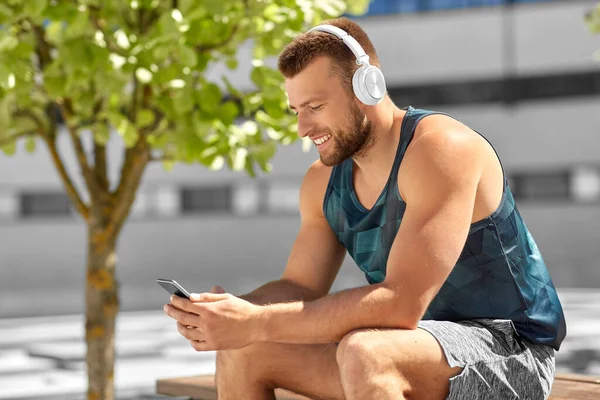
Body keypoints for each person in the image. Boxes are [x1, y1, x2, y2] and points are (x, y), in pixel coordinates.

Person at [163, 16, 567, 400]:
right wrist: (231, 313)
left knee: (365, 351)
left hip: (510, 350)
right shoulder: (323, 182)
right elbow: (301, 288)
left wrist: (255, 321)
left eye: (315, 107)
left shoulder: (440, 149)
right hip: (407, 346)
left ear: (367, 87)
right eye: (297, 111)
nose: (303, 128)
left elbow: (400, 304)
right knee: (245, 347)